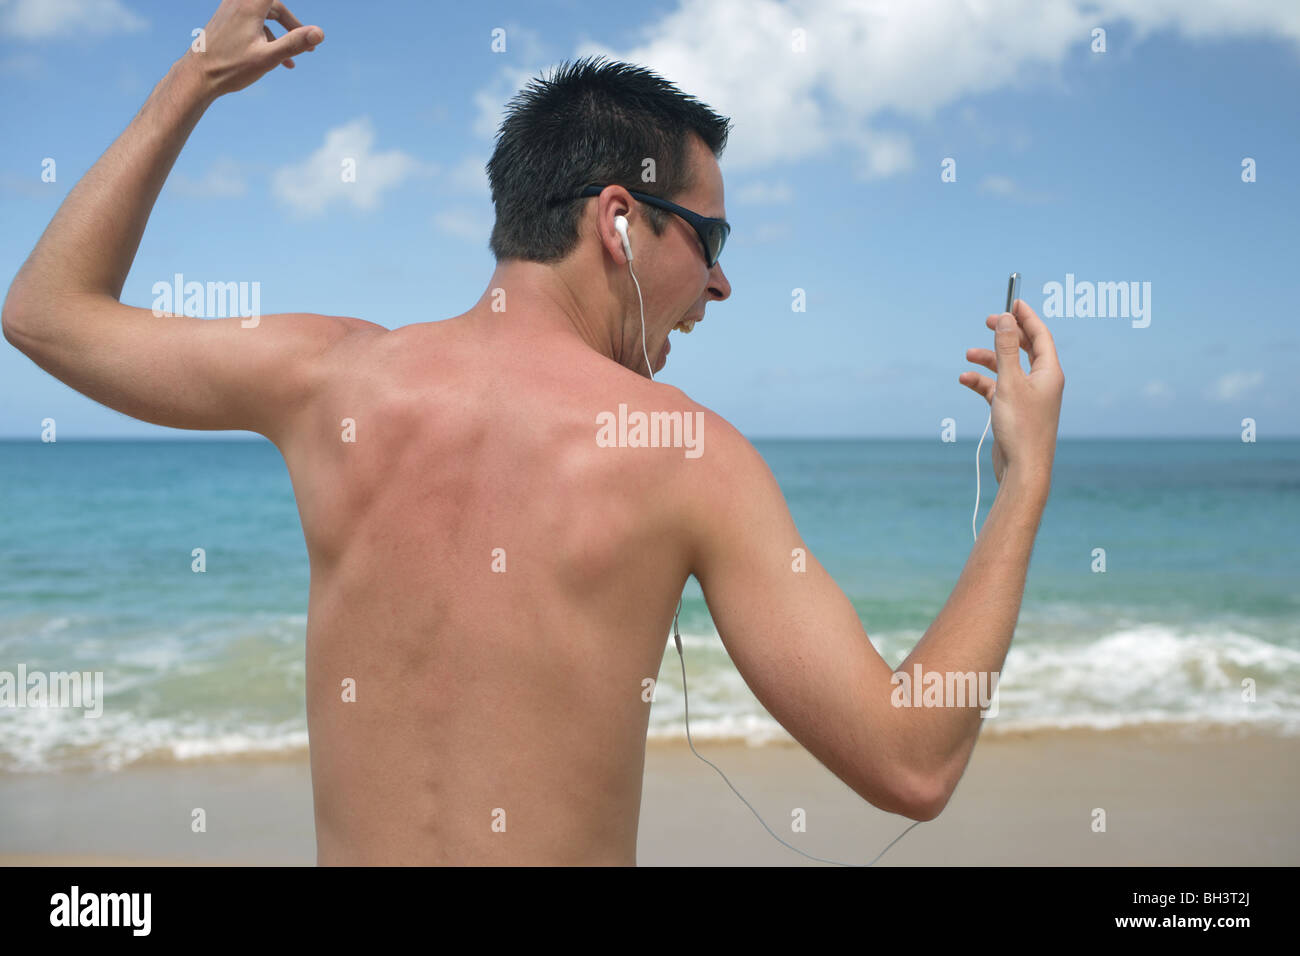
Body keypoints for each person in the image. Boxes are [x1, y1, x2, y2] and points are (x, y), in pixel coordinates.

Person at [1, 0, 1064, 865]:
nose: (723, 281)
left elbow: (44, 313)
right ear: (617, 219)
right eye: (710, 237)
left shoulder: (329, 378)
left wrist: (190, 80)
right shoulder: (684, 451)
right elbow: (910, 761)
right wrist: (1021, 480)